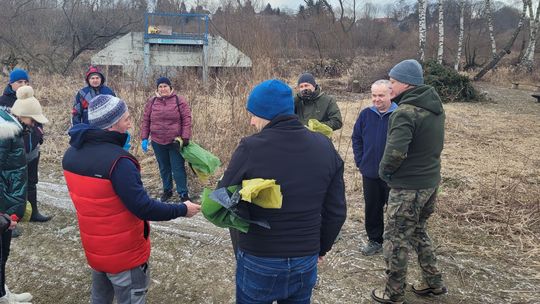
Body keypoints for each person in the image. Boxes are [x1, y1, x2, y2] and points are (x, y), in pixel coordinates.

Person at [62, 94, 200, 304]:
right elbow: (143, 207)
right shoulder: (119, 162)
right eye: (126, 118)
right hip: (125, 254)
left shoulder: (70, 156)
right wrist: (182, 209)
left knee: (99, 299)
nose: (129, 122)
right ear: (111, 124)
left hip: (96, 250)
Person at [219, 79, 347, 304]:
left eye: (254, 114)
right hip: (305, 257)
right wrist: (321, 248)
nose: (251, 122)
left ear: (267, 113)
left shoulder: (250, 147)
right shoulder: (324, 146)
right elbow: (336, 211)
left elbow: (223, 198)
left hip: (260, 258)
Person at [371, 59, 447, 304]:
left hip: (408, 187)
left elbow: (394, 153)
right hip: (430, 182)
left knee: (395, 239)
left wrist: (384, 174)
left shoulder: (405, 112)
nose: (390, 86)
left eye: (392, 82)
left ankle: (393, 293)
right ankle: (434, 283)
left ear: (405, 83)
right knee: (417, 232)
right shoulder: (434, 106)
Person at [1, 84, 49, 304]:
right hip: (3, 208)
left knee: (4, 253)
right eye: (33, 119)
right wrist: (5, 213)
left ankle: (2, 293)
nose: (34, 124)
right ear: (23, 116)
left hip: (8, 206)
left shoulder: (14, 130)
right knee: (1, 254)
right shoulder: (5, 135)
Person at [0, 69, 51, 228]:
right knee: (11, 185)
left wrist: (38, 137)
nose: (23, 85)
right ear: (11, 84)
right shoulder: (3, 101)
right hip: (13, 151)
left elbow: (38, 122)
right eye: (19, 82)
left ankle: (33, 211)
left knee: (30, 182)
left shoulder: (32, 101)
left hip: (31, 150)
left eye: (25, 82)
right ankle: (8, 221)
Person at [351, 80, 397, 256]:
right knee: (372, 208)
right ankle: (375, 240)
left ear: (390, 95)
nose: (376, 99)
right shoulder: (365, 115)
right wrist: (360, 161)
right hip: (369, 172)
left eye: (381, 95)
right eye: (374, 95)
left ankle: (394, 244)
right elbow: (356, 138)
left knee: (395, 211)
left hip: (393, 175)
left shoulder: (398, 115)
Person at [141, 77, 192, 202]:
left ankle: (183, 193)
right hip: (157, 141)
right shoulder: (152, 102)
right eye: (160, 87)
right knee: (164, 167)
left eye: (165, 86)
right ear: (157, 88)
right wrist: (144, 137)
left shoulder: (179, 100)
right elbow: (146, 120)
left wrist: (185, 137)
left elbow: (187, 119)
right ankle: (167, 190)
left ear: (170, 87)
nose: (163, 89)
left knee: (177, 168)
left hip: (175, 142)